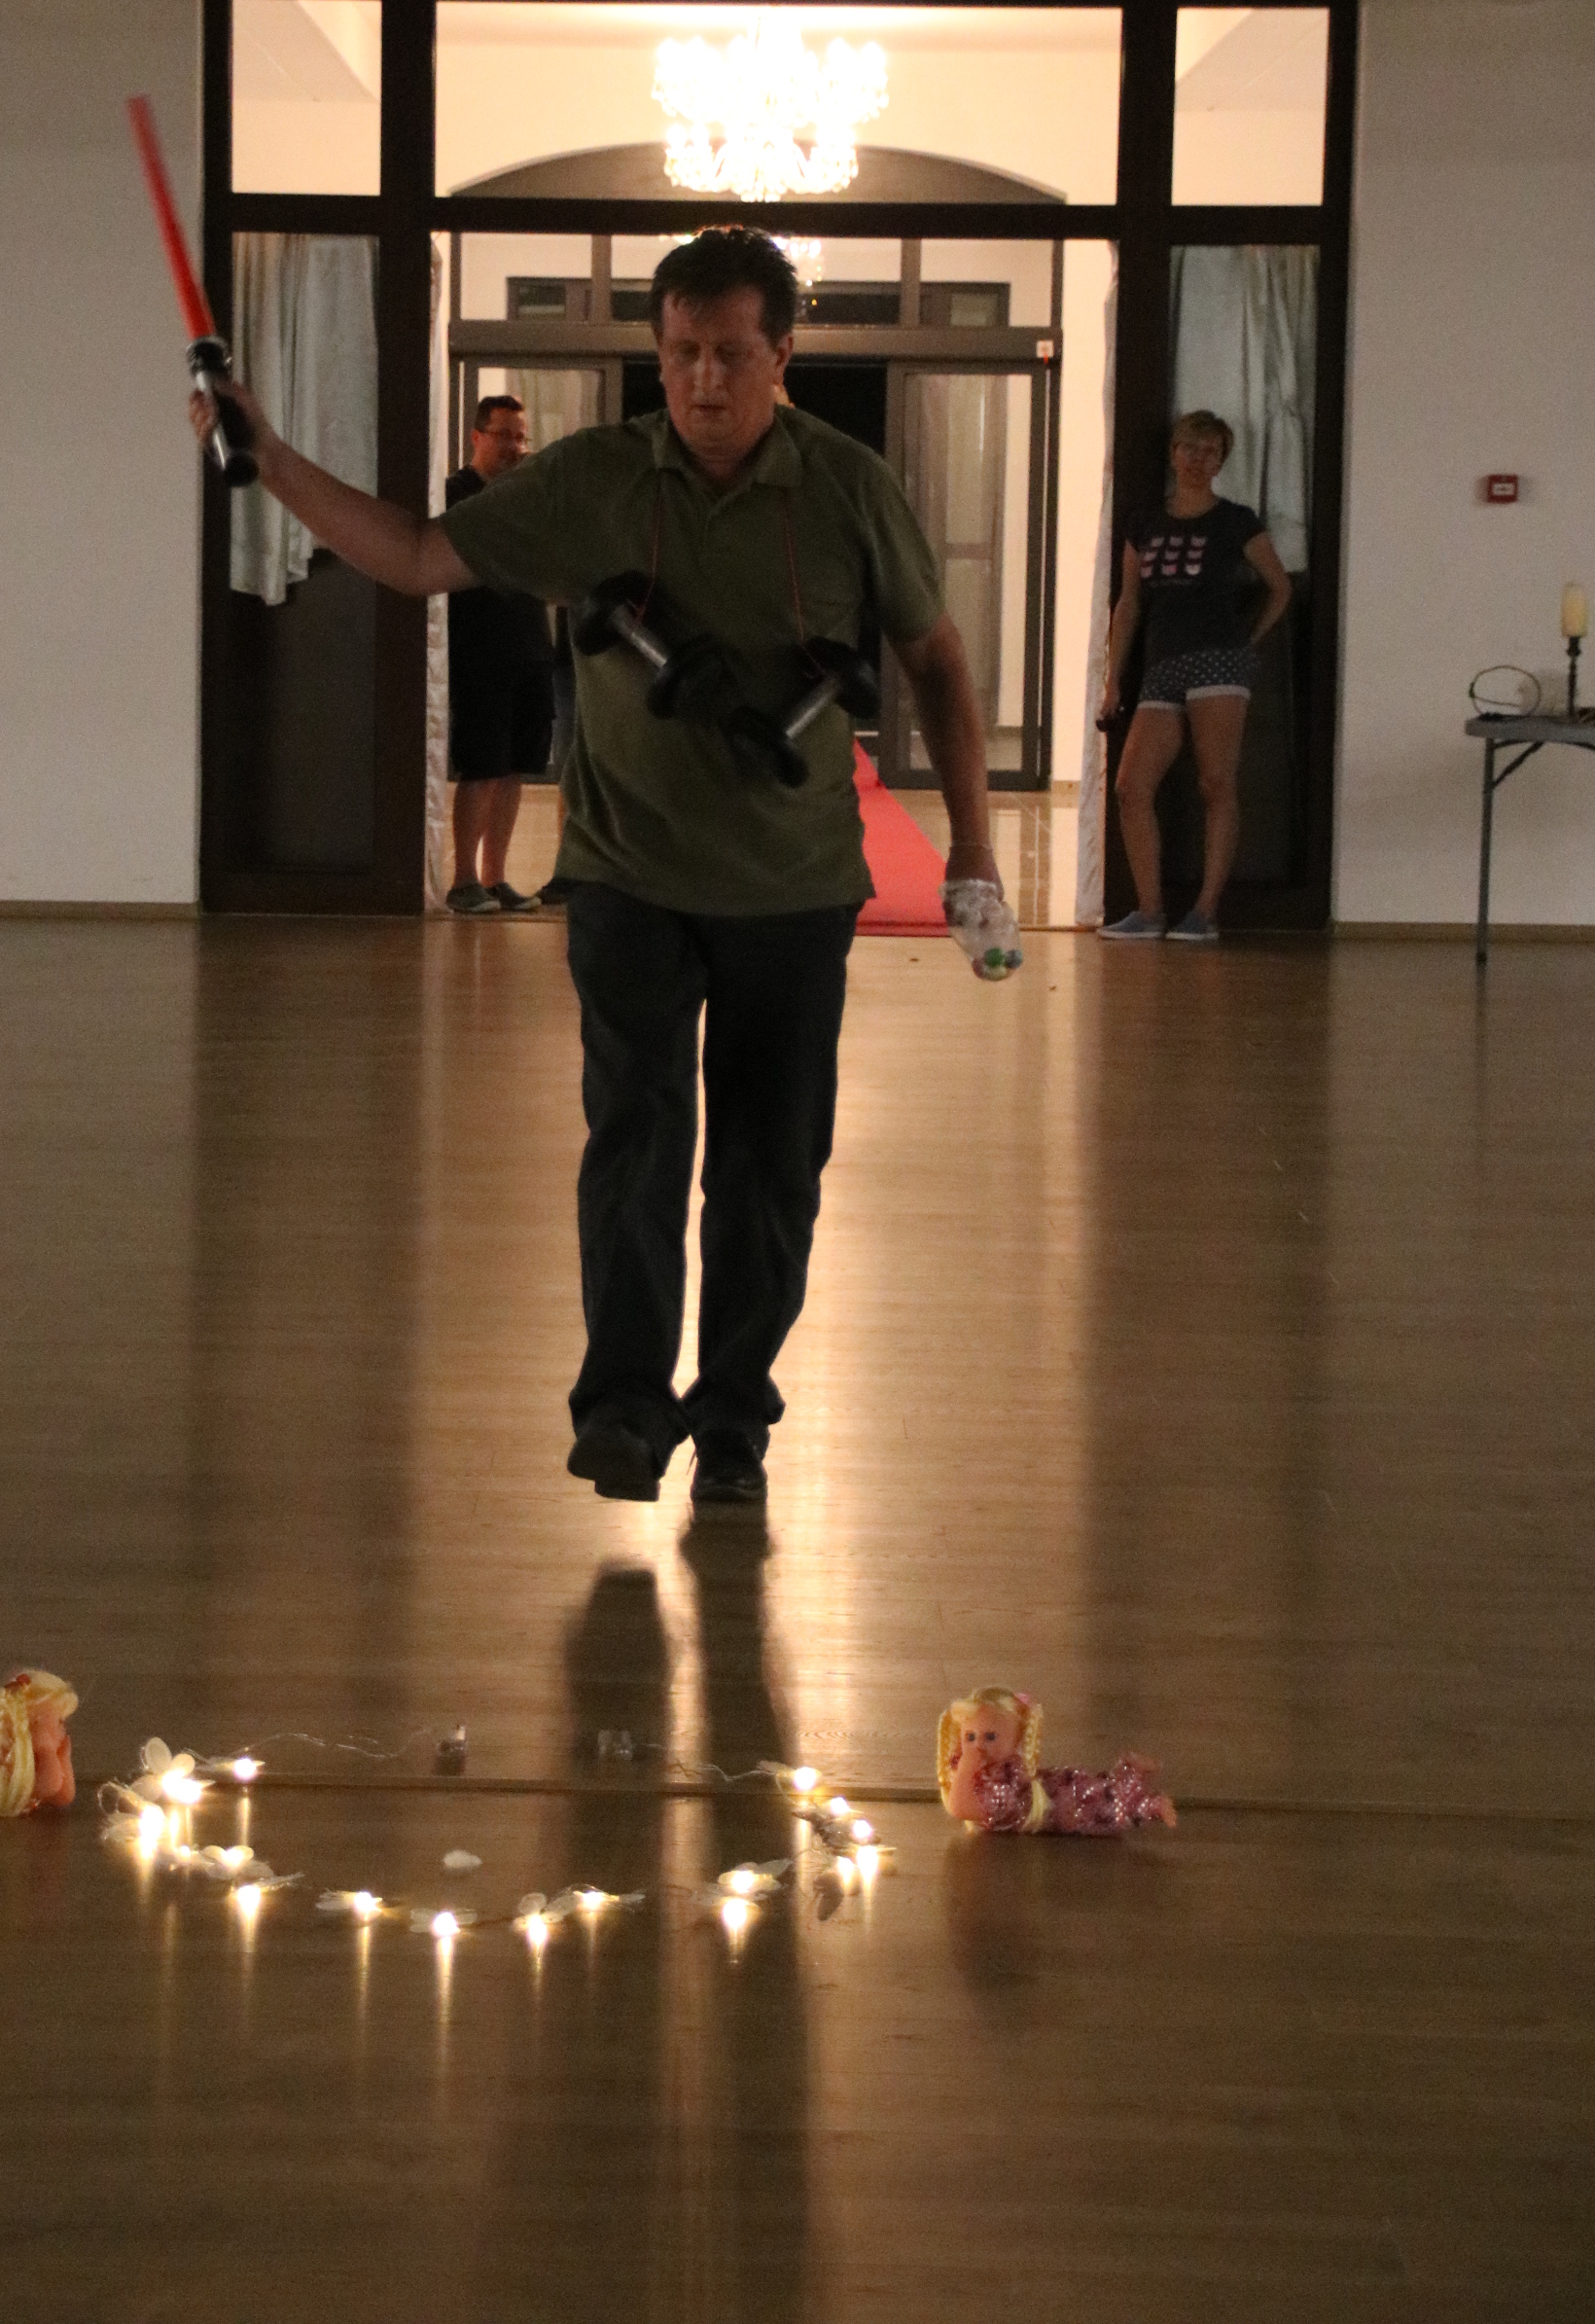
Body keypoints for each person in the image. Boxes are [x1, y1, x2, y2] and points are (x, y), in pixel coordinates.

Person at [191, 228, 1005, 1516]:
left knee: (769, 1167)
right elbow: (415, 556)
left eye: (730, 354)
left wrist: (972, 848)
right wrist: (271, 456)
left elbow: (939, 663)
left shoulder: (847, 488)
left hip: (793, 888)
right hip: (628, 877)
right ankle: (623, 1409)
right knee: (634, 1138)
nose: (703, 381)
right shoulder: (594, 481)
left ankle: (732, 1419)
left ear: (781, 355)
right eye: (680, 354)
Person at [1099, 408, 1293, 942]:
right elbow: (1129, 604)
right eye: (1189, 448)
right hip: (1161, 663)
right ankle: (1149, 910)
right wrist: (1114, 679)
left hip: (1219, 661)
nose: (1198, 459)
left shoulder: (1235, 520)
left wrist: (1247, 641)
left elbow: (1279, 587)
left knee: (1215, 782)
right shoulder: (1144, 521)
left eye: (1210, 452)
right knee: (1131, 787)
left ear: (1221, 462)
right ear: (1173, 453)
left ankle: (1205, 912)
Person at [443, 394, 553, 915]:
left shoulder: (527, 496)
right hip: (478, 651)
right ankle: (464, 879)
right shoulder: (454, 496)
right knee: (482, 766)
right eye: (504, 435)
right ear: (477, 436)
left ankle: (496, 877)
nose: (515, 447)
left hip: (530, 646)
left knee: (515, 769)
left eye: (521, 437)